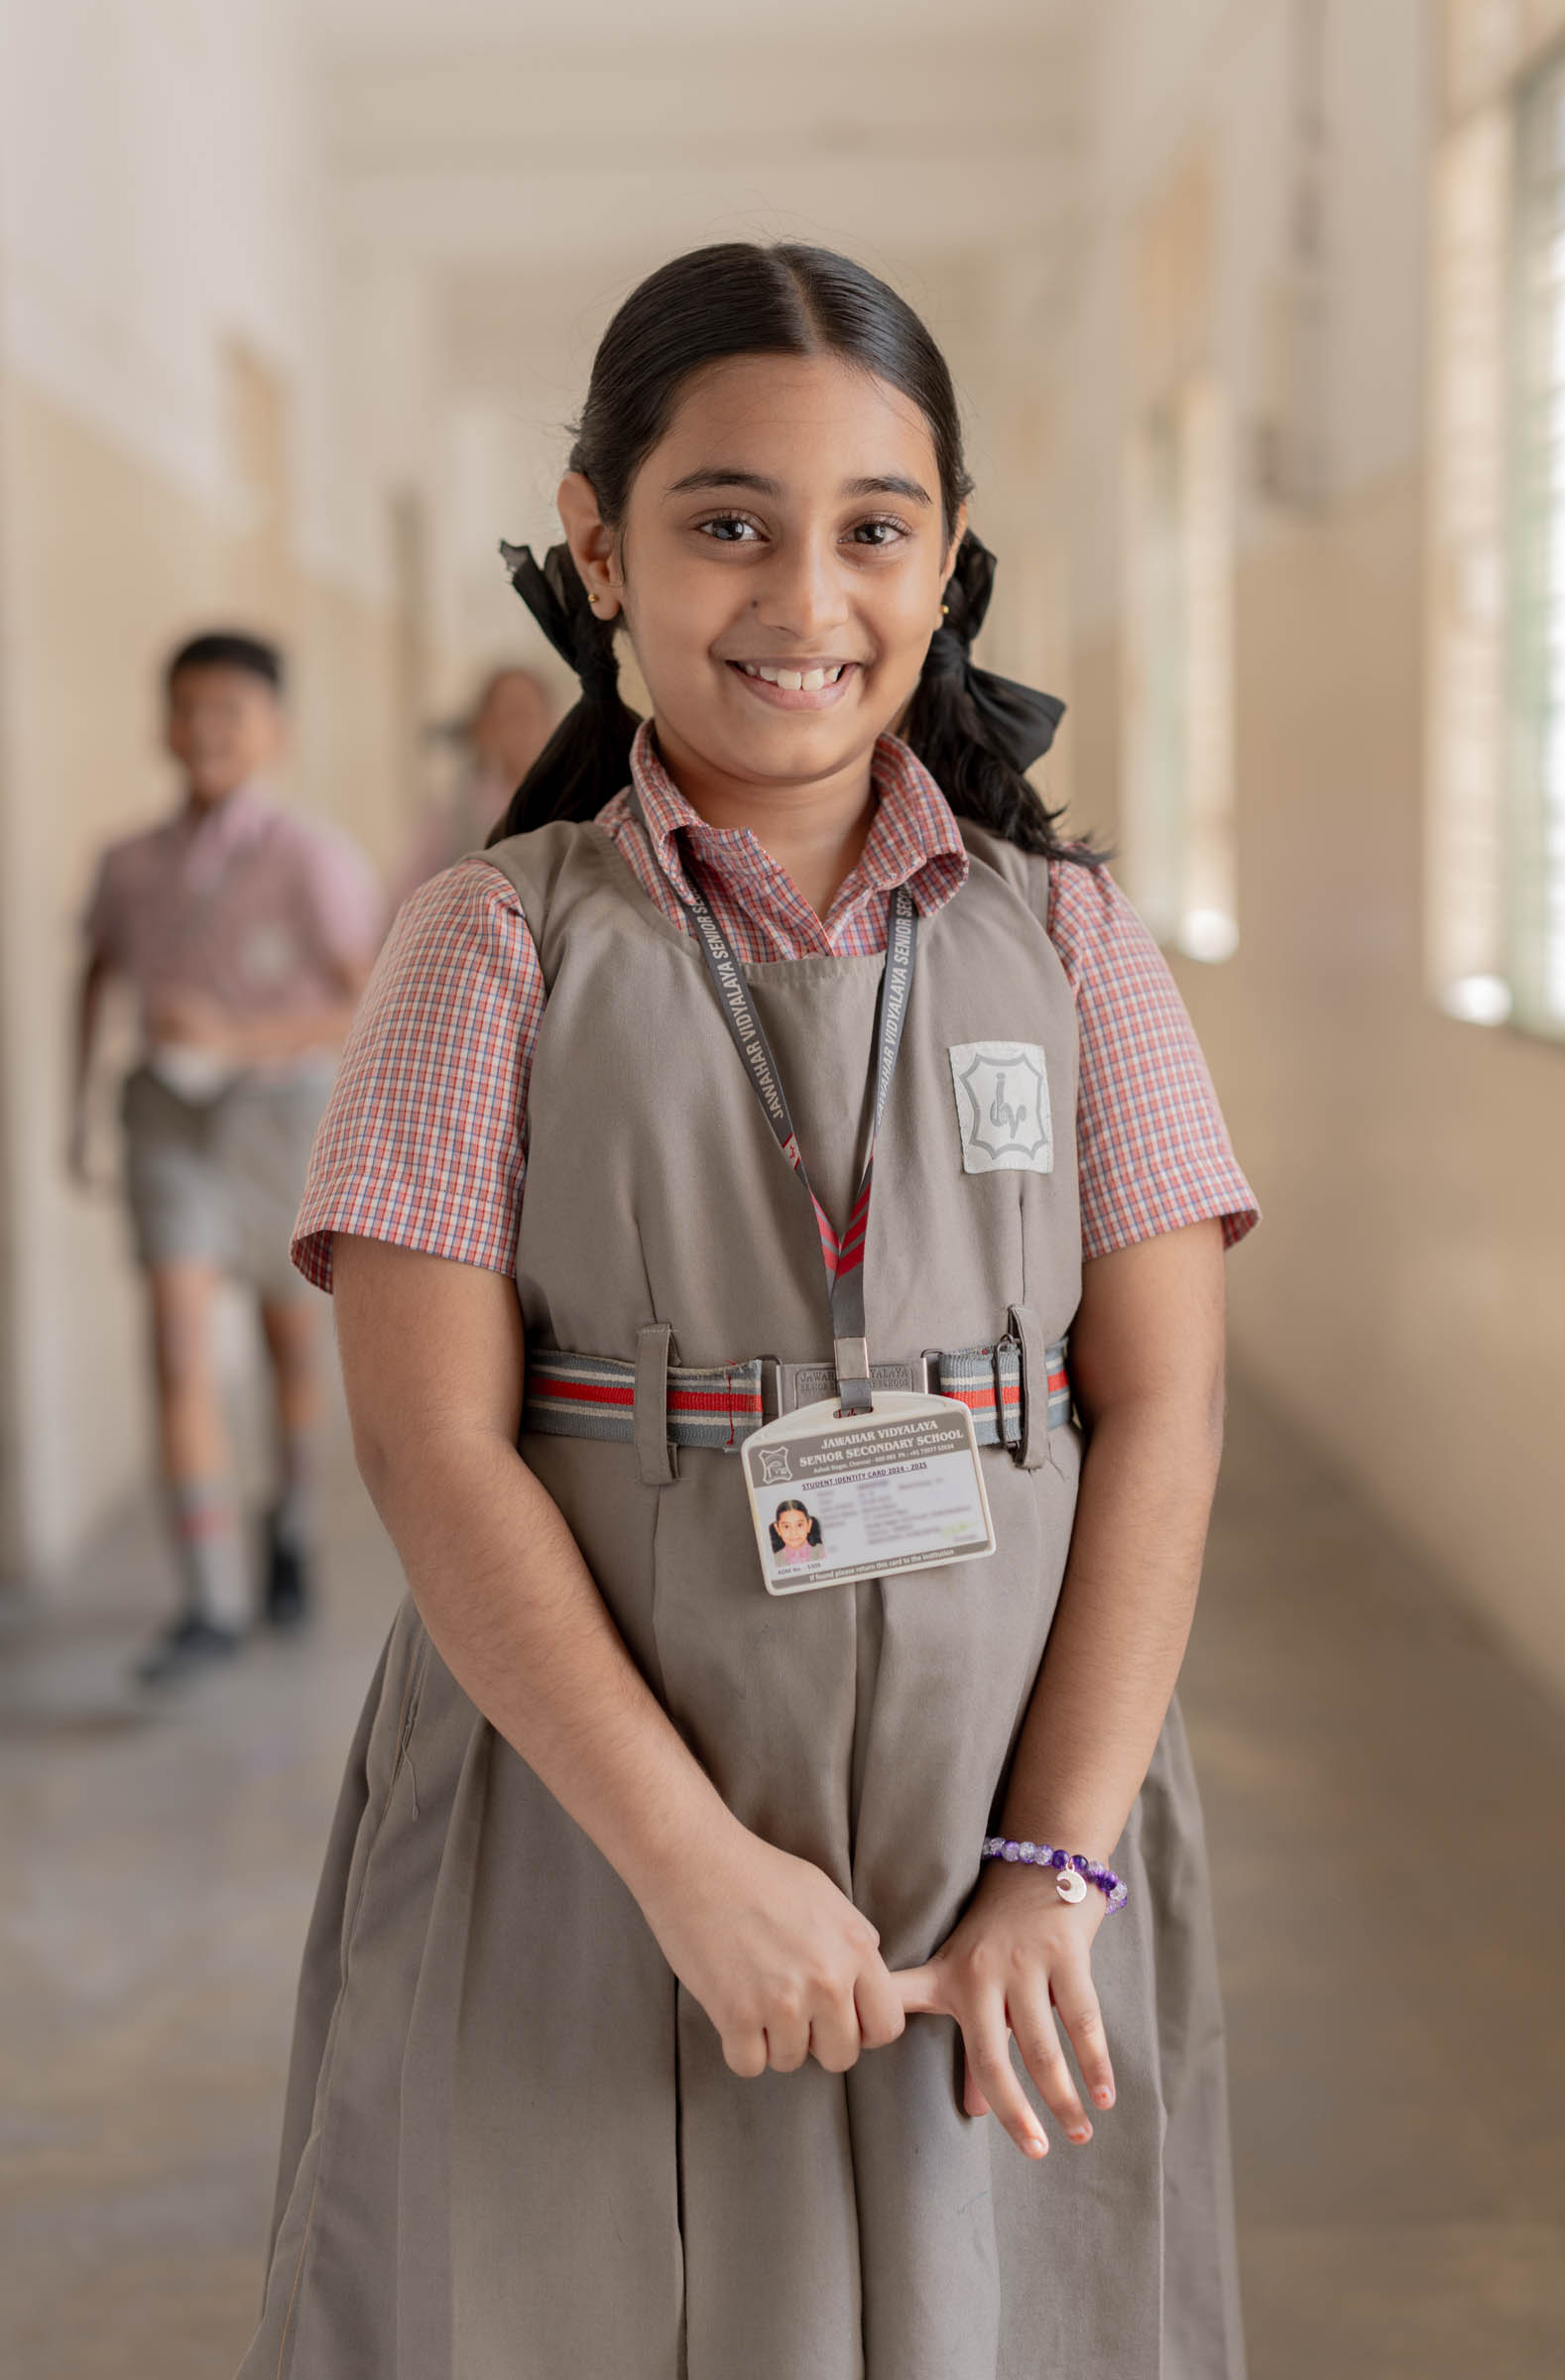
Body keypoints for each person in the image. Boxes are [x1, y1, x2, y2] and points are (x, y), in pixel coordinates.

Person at [240, 245, 1260, 2380]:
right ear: (599, 545)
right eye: (727, 523)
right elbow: (433, 1448)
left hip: (1005, 1845)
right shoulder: (487, 947)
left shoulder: (1072, 944)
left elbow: (1155, 1409)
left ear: (947, 559)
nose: (805, 598)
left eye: (871, 529)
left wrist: (1055, 1869)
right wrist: (688, 1864)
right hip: (592, 1835)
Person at [73, 631, 382, 1686]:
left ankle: (286, 1525)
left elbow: (362, 999)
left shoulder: (311, 859)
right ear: (163, 721)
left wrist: (234, 1038)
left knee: (288, 1341)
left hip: (279, 1118)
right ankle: (206, 1599)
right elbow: (97, 973)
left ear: (271, 734)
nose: (206, 731)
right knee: (172, 1337)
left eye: (230, 713)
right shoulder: (129, 861)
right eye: (188, 709)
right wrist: (80, 1107)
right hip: (164, 1116)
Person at [388, 663, 559, 904]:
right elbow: (407, 894)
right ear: (485, 728)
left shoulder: (567, 803)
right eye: (509, 718)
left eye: (529, 716)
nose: (522, 731)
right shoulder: (454, 813)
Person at [769, 1497, 824, 1564]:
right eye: (786, 1526)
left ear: (809, 1525)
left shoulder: (822, 1551)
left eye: (799, 1525)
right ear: (778, 1529)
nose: (793, 1532)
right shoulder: (774, 1560)